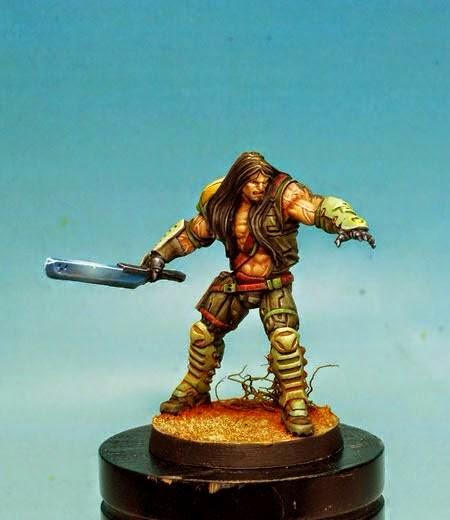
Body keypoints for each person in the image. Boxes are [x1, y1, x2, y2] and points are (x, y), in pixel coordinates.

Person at [141, 152, 375, 436]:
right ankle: (195, 387)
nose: (261, 187)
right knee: (202, 333)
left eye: (264, 181)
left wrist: (350, 222)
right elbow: (192, 233)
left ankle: (294, 401)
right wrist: (158, 256)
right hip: (238, 284)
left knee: (285, 340)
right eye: (253, 182)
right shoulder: (221, 203)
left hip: (273, 284)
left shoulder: (283, 197)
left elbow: (317, 208)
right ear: (238, 181)